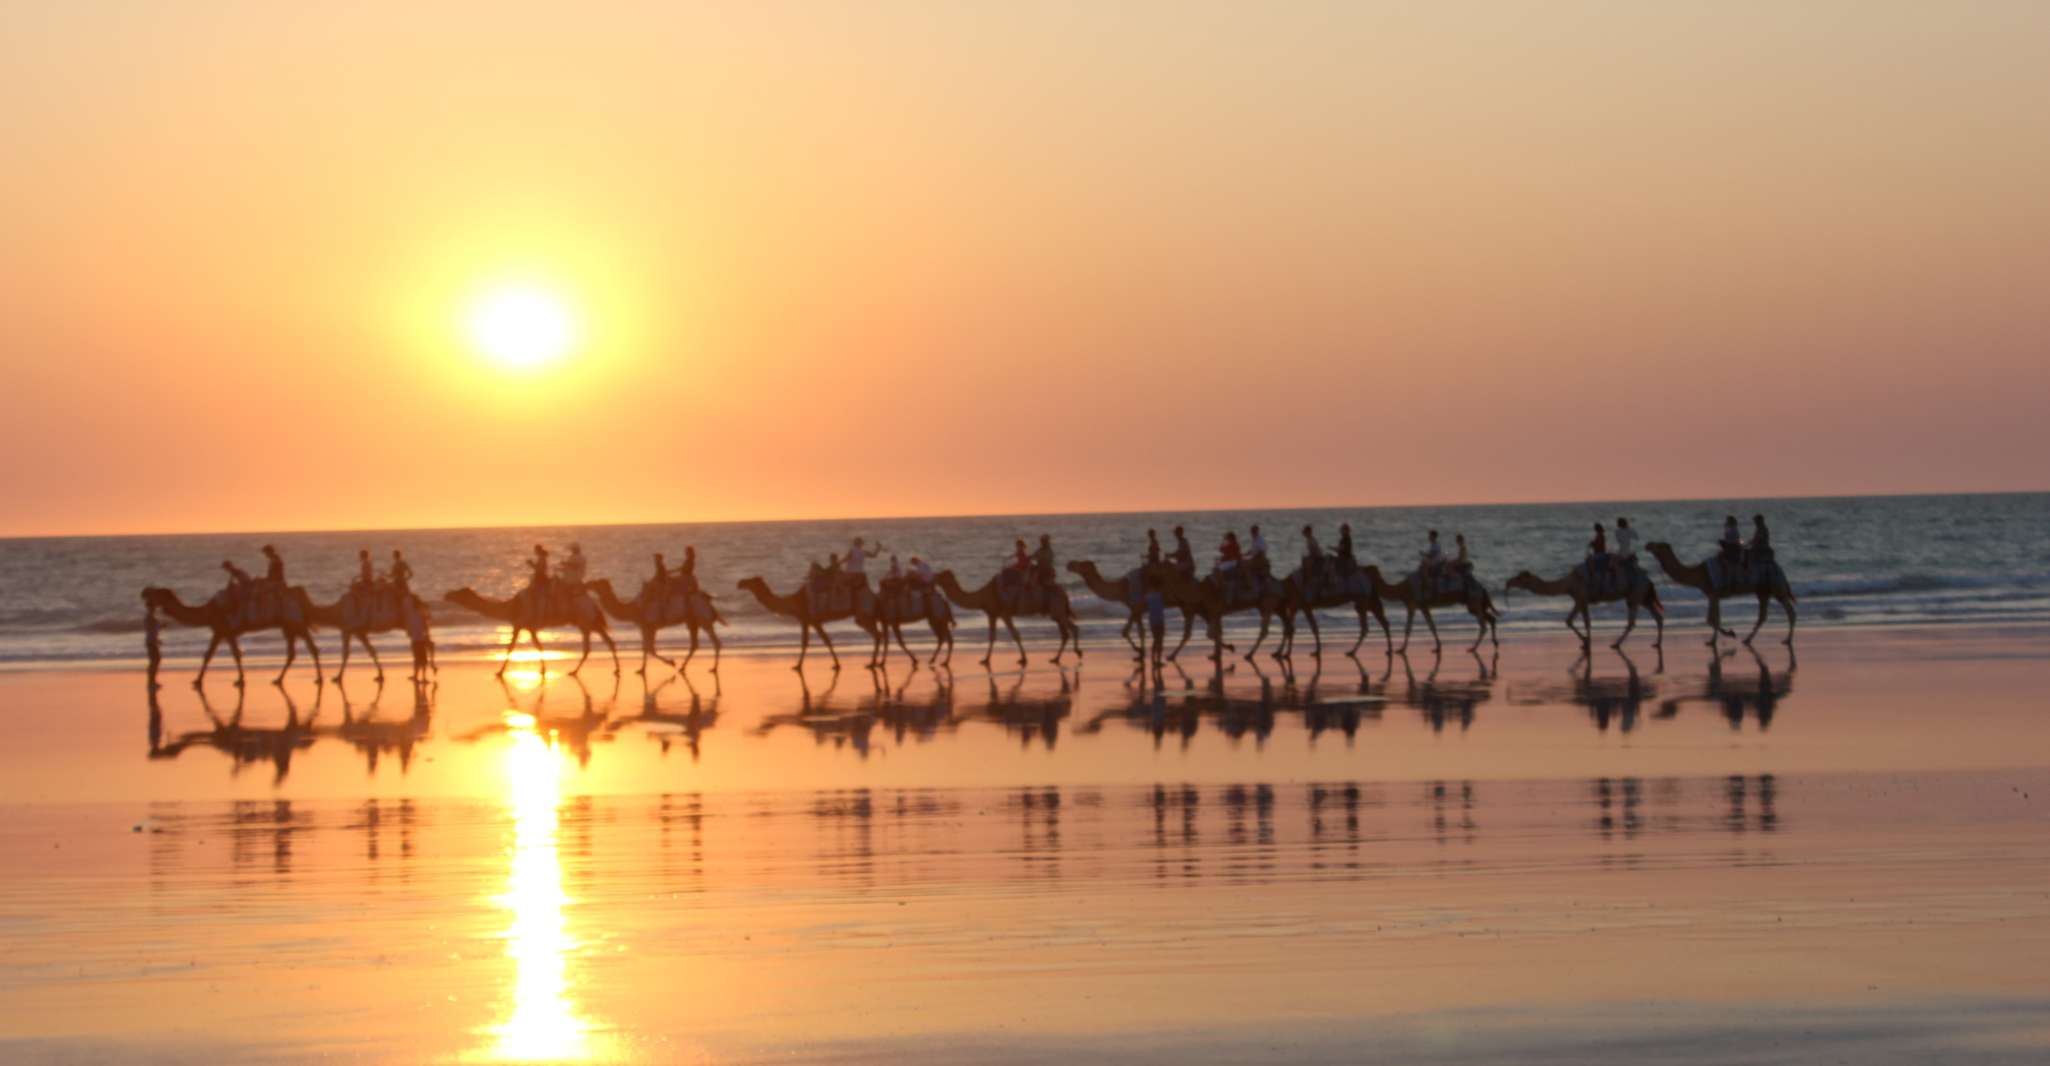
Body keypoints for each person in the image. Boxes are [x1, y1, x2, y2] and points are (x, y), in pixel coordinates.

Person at [143, 600, 163, 690]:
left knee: (155, 661)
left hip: (151, 641)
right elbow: (152, 631)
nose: (154, 609)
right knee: (155, 661)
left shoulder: (150, 617)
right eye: (153, 607)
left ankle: (152, 681)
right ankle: (151, 682)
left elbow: (153, 631)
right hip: (151, 642)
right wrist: (155, 640)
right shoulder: (150, 618)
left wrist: (157, 640)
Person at [1301, 525, 1325, 591]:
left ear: (1309, 532)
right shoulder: (1309, 540)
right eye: (1305, 532)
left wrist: (1309, 557)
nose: (1305, 534)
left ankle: (1309, 581)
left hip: (1318, 558)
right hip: (1315, 556)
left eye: (1306, 532)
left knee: (1307, 563)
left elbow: (1314, 551)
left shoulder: (1312, 540)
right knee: (1304, 560)